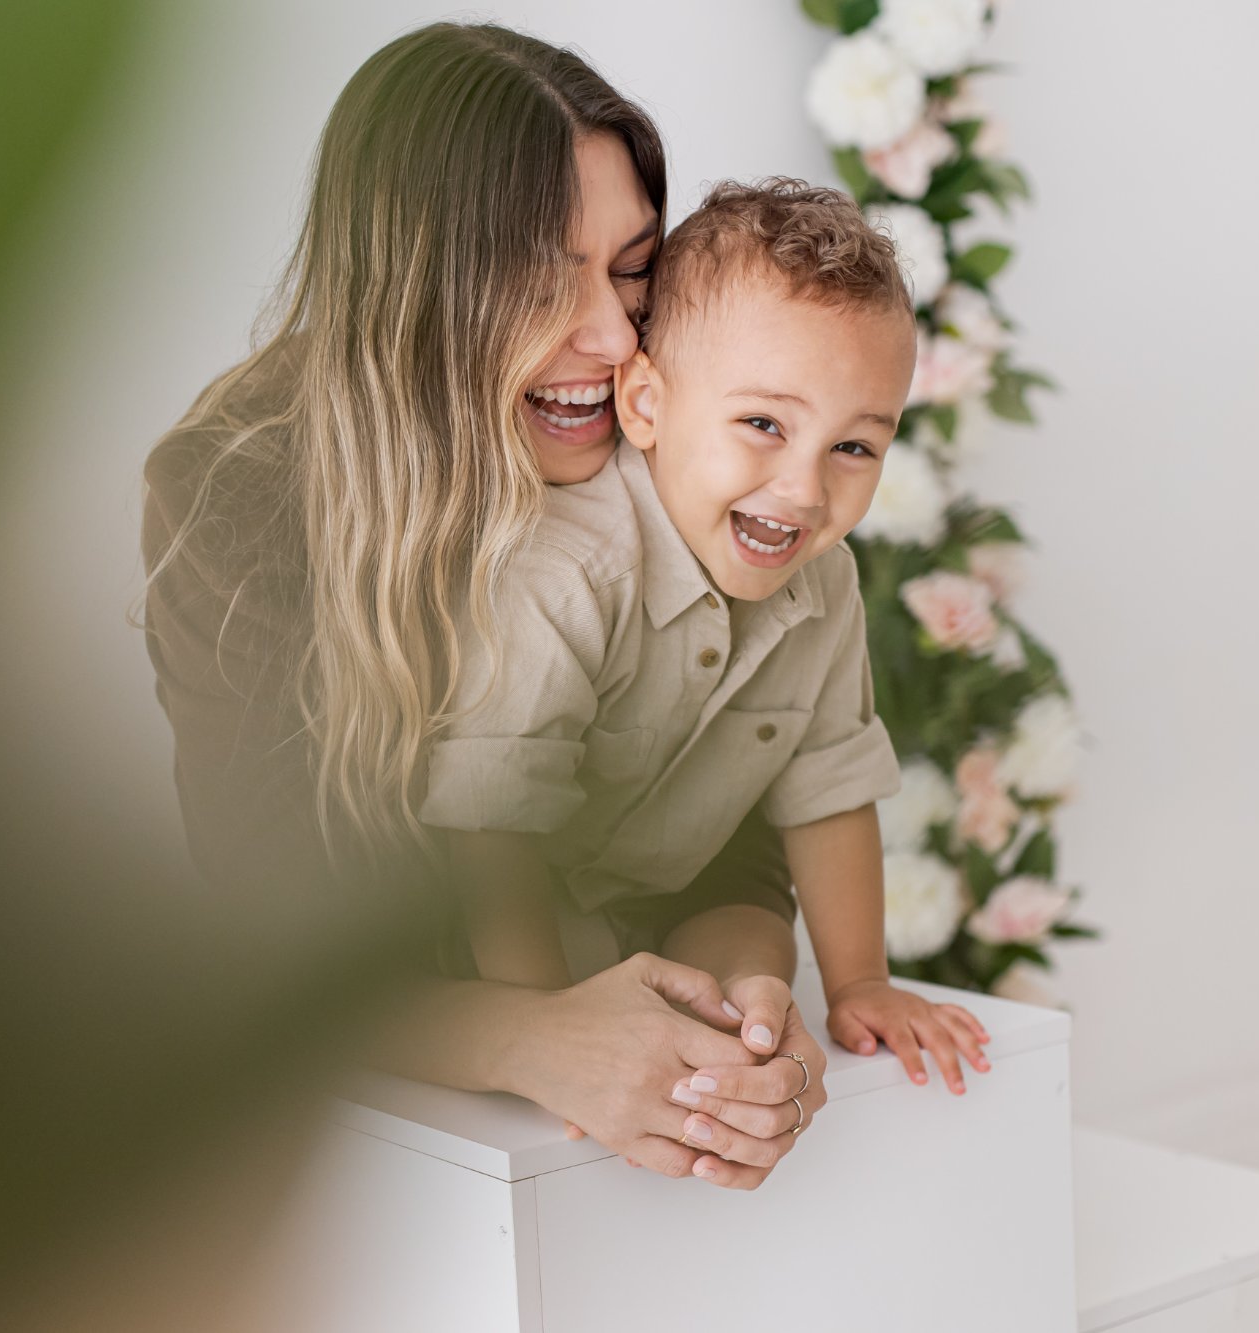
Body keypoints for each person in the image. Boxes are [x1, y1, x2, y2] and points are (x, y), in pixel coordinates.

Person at [142, 22, 822, 1186]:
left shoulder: (664, 434)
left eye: (630, 266)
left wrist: (749, 1005)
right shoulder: (237, 493)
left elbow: (729, 847)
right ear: (409, 285)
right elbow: (265, 953)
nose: (610, 340)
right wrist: (534, 1038)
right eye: (539, 275)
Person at [423, 180, 994, 1111]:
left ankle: (750, 1017)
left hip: (666, 896)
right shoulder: (568, 572)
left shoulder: (826, 583)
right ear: (645, 405)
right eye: (764, 424)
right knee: (541, 945)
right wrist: (548, 1030)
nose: (805, 490)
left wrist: (859, 983)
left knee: (748, 938)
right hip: (510, 918)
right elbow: (490, 825)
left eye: (855, 448)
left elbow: (831, 785)